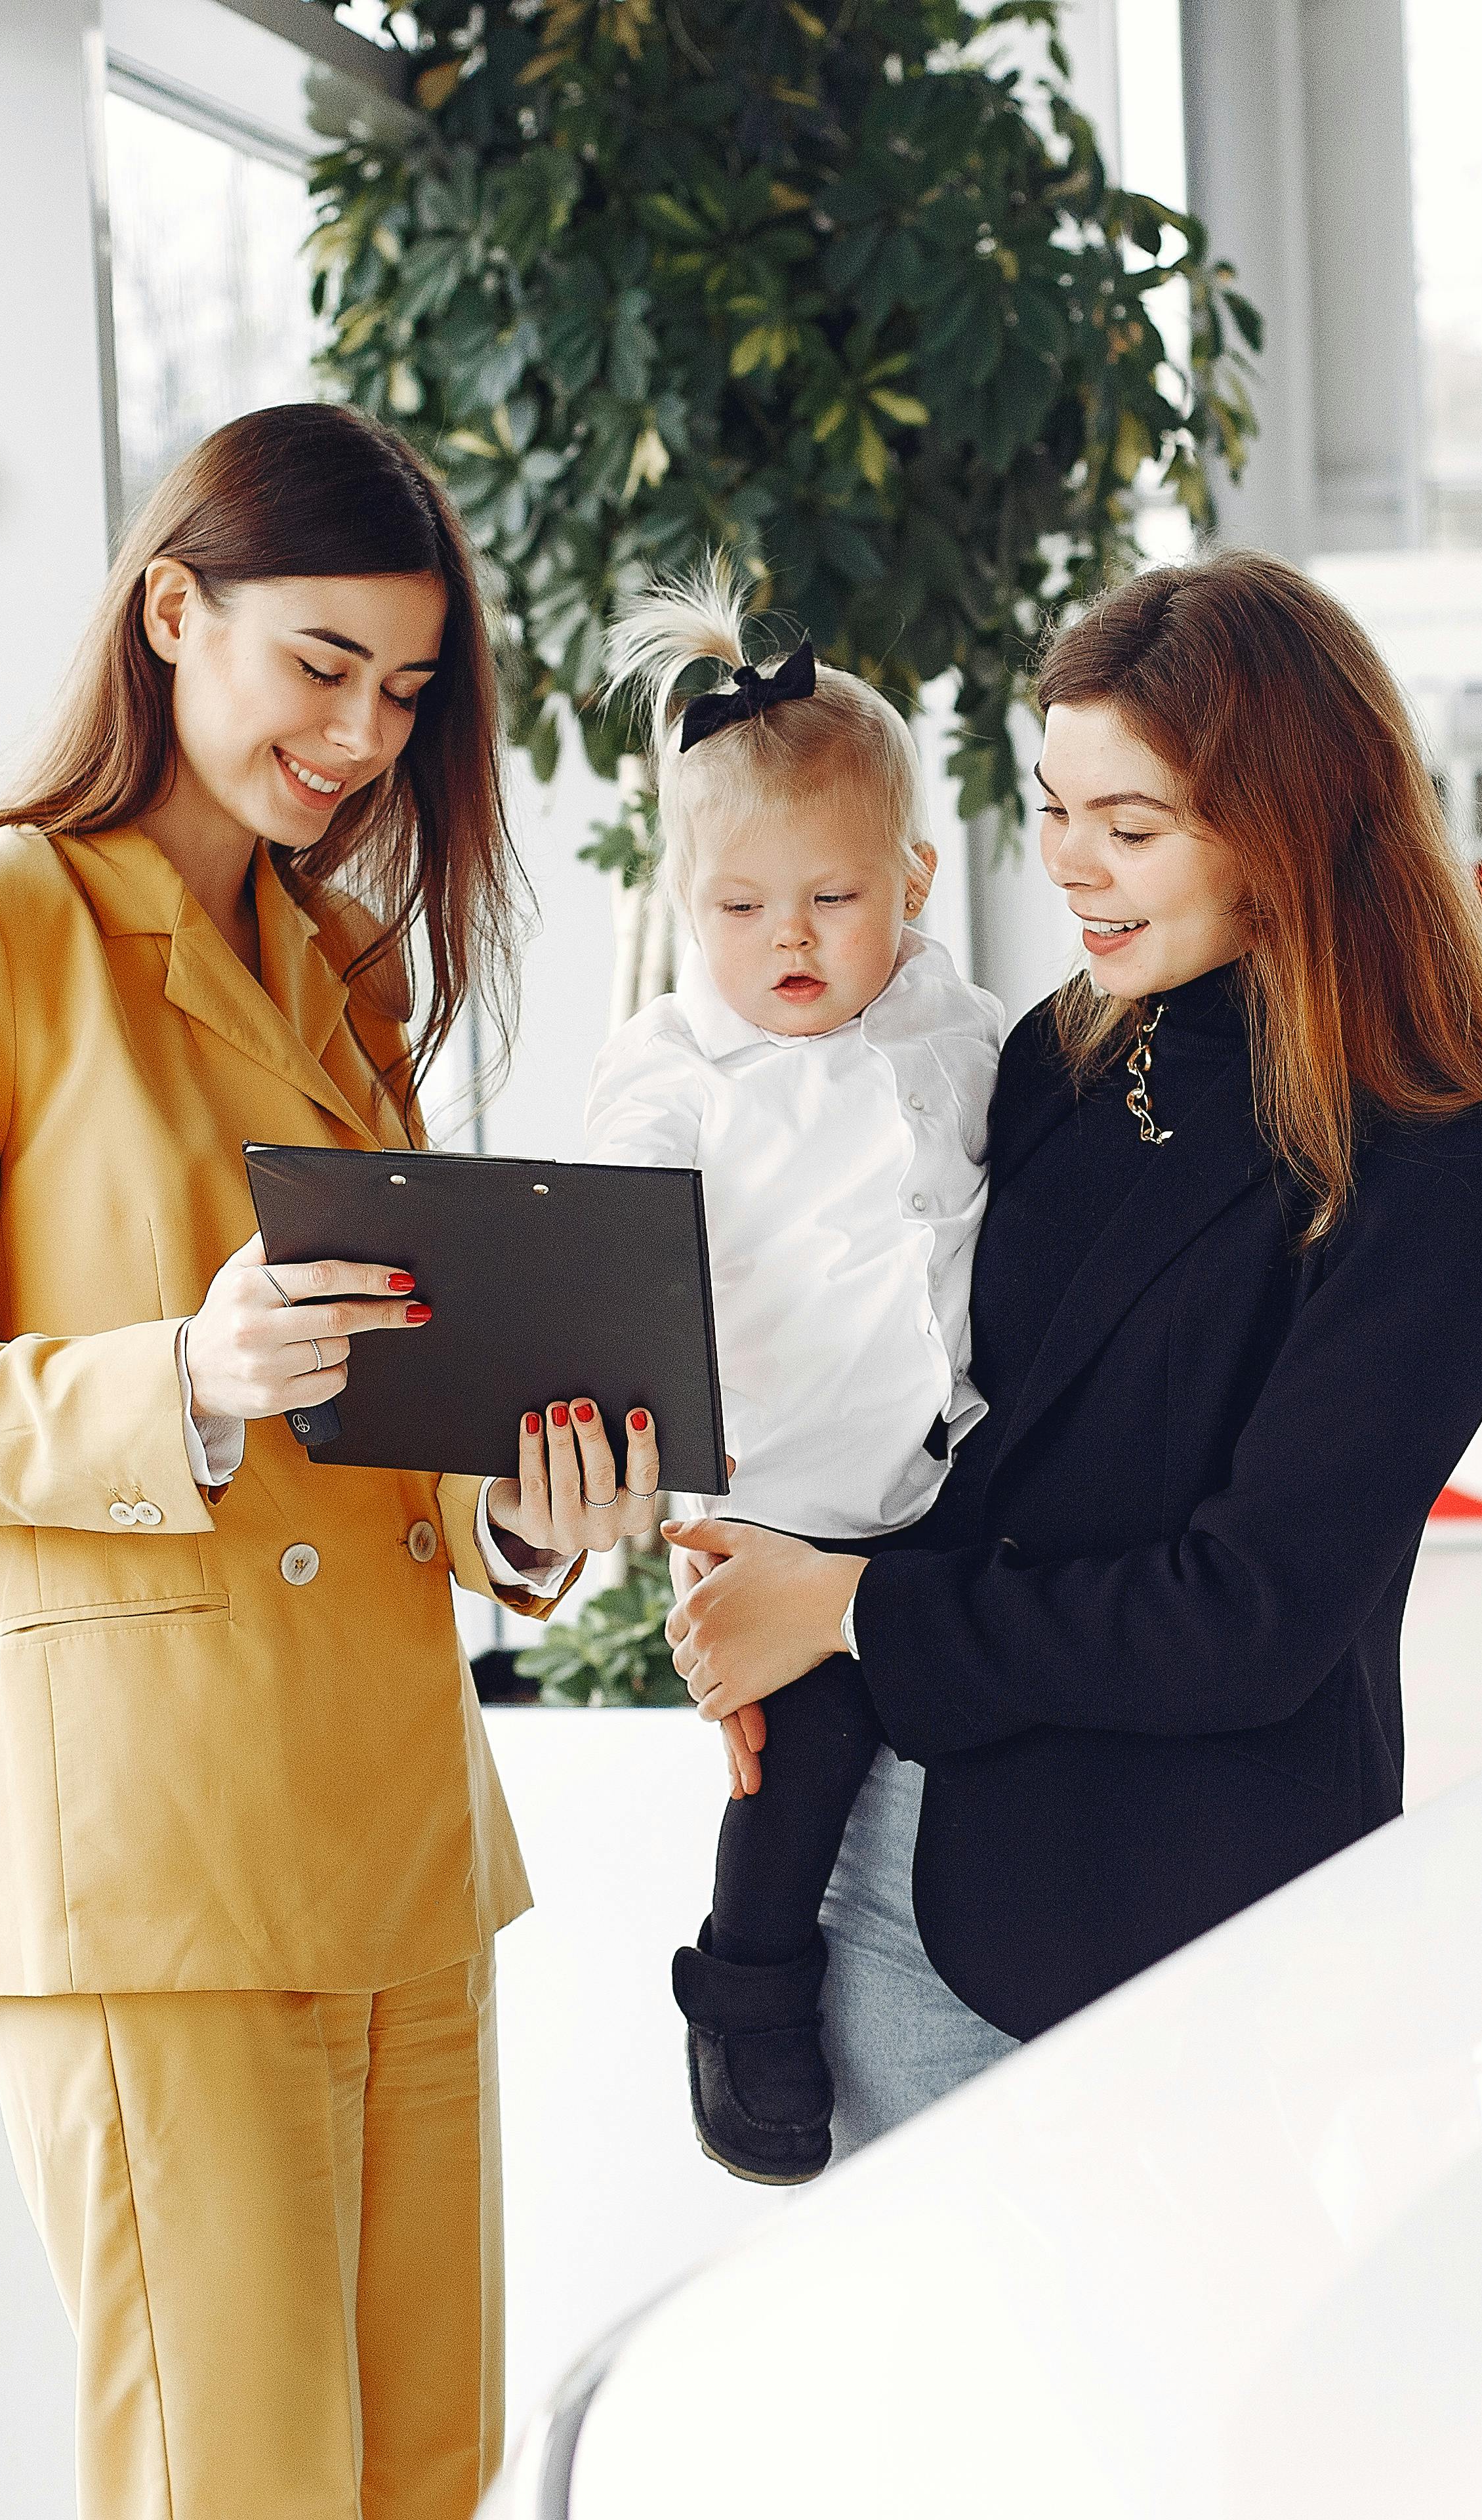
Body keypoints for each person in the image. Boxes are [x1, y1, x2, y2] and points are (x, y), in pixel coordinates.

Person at [0, 404, 667, 2520]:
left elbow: (399, 1403)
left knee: (424, 2476)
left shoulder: (339, 968)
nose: (363, 733)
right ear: (173, 611)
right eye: (322, 664)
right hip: (150, 1871)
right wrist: (177, 1373)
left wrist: (527, 1520)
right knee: (231, 2486)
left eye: (408, 689)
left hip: (393, 1846)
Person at [663, 551, 1482, 2141]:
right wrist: (760, 1550)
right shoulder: (1063, 1051)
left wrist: (852, 1607)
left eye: (1132, 828)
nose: (1075, 867)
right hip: (904, 1878)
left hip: (1198, 1934)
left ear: (1290, 826)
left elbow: (1254, 1615)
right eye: (1057, 807)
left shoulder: (1453, 1159)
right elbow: (936, 1416)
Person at [575, 565, 1003, 2183]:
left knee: (954, 1715)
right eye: (741, 910)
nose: (790, 942)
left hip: (956, 1482)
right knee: (800, 1752)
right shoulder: (681, 1064)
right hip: (784, 1499)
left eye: (830, 899)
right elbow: (616, 1229)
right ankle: (746, 1991)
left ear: (913, 874)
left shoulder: (958, 1027)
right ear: (692, 911)